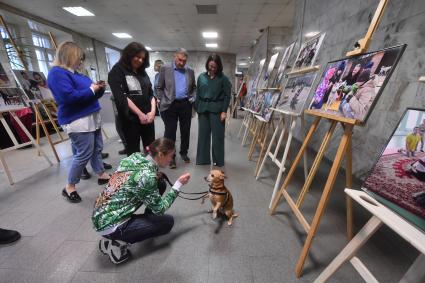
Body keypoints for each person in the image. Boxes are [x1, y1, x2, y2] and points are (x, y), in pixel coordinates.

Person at [92, 138, 191, 264]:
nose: (171, 160)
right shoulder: (147, 176)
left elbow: (141, 177)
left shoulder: (136, 156)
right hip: (111, 224)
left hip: (99, 214)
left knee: (160, 183)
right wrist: (178, 185)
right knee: (167, 222)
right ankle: (117, 242)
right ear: (160, 155)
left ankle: (134, 227)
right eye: (170, 156)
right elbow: (160, 209)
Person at [47, 41, 110, 203]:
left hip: (91, 117)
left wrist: (98, 89)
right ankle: (69, 187)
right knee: (83, 154)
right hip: (78, 120)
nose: (81, 61)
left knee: (97, 148)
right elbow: (67, 98)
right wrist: (91, 89)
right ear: (69, 55)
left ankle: (101, 174)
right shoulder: (57, 73)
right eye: (79, 58)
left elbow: (90, 95)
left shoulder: (76, 73)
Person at [108, 42, 156, 157]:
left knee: (150, 149)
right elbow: (122, 97)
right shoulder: (117, 71)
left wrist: (152, 112)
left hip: (148, 117)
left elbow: (150, 94)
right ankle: (136, 174)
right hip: (130, 119)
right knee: (133, 152)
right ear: (129, 55)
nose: (140, 60)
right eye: (137, 57)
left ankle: (150, 172)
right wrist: (140, 114)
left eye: (142, 58)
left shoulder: (142, 72)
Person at [156, 48, 196, 169]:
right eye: (179, 60)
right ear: (175, 57)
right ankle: (171, 157)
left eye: (184, 61)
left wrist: (192, 98)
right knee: (170, 133)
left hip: (185, 104)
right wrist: (162, 99)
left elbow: (194, 87)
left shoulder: (190, 71)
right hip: (170, 105)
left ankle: (184, 152)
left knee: (185, 131)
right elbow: (159, 87)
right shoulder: (165, 68)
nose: (181, 63)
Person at [195, 54, 231, 167]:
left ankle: (218, 160)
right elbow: (197, 94)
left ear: (219, 66)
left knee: (217, 137)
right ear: (207, 65)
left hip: (217, 110)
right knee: (203, 136)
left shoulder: (223, 79)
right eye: (210, 66)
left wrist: (224, 111)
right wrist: (197, 108)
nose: (212, 69)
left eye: (215, 67)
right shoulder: (201, 77)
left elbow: (227, 95)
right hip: (203, 110)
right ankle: (203, 159)